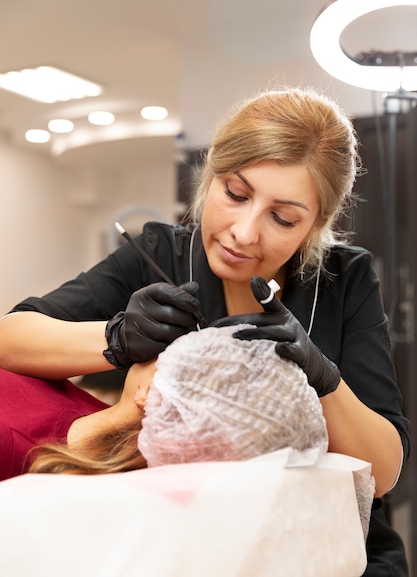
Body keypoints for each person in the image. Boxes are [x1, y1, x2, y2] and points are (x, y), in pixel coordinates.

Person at [0, 87, 409, 576]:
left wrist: (325, 382)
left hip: (328, 545)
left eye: (282, 218)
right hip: (186, 540)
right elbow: (11, 336)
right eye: (235, 194)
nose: (244, 231)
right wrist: (116, 338)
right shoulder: (160, 253)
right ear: (211, 175)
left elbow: (383, 473)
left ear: (315, 224)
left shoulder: (345, 280)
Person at [1, 323, 330, 477]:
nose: (159, 346)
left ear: (150, 397)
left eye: (172, 349)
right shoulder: (94, 418)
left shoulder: (13, 440)